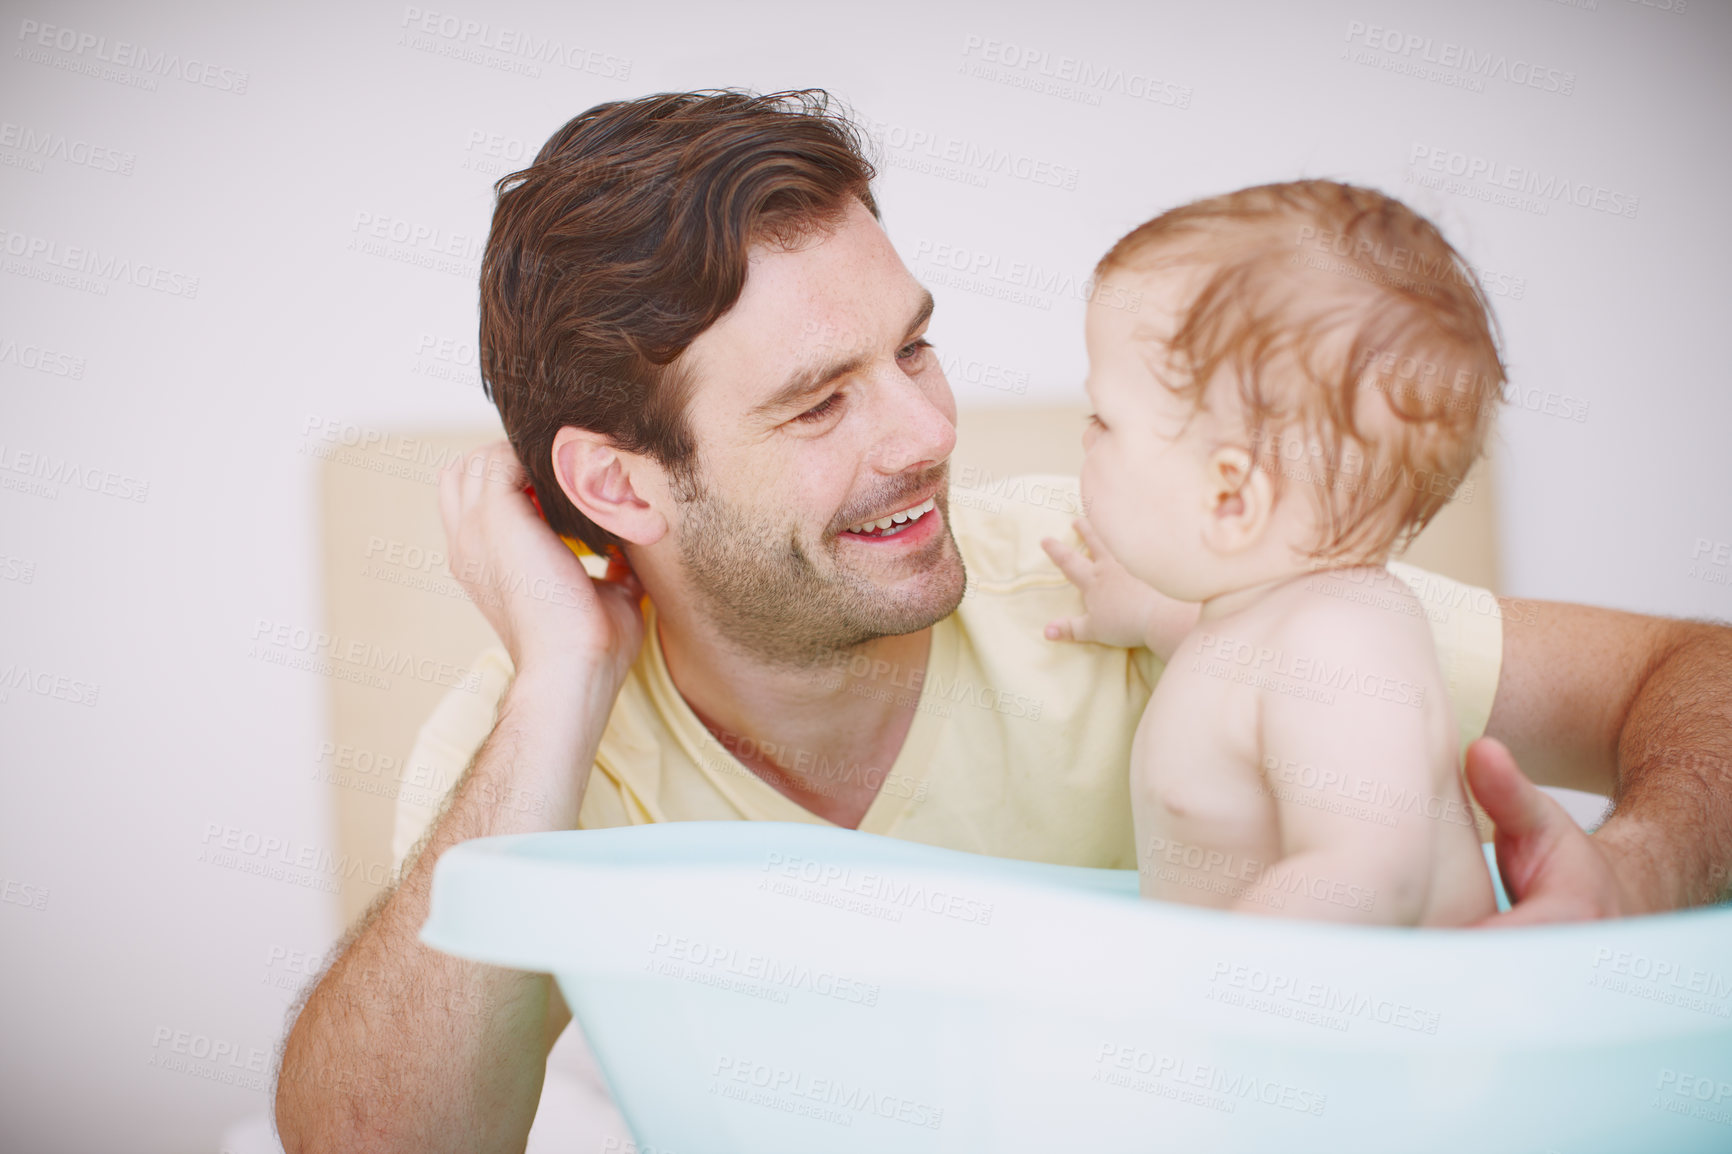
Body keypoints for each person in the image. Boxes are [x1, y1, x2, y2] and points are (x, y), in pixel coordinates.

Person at [274, 90, 1732, 1153]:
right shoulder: (535, 738)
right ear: (620, 483)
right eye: (821, 399)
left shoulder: (1144, 577)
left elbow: (1694, 675)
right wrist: (558, 684)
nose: (924, 431)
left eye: (914, 344)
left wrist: (1639, 863)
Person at [1041, 179, 1504, 924]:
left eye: (1105, 418)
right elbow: (1243, 675)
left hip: (1350, 1025)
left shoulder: (1342, 642)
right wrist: (1147, 612)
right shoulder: (1274, 624)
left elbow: (1367, 875)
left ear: (1231, 499)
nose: (1086, 436)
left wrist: (1211, 994)